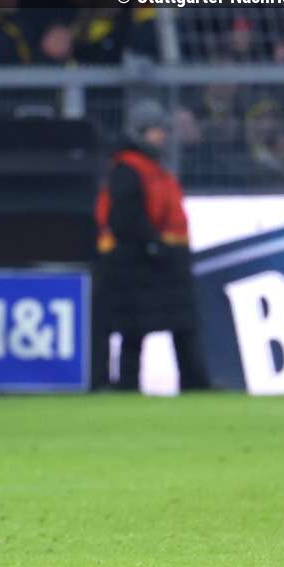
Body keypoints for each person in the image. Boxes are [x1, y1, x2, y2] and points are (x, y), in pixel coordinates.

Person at [93, 99, 210, 392]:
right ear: (140, 132)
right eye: (156, 130)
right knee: (136, 326)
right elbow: (124, 218)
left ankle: (191, 382)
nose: (162, 136)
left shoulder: (149, 167)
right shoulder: (129, 169)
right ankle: (129, 383)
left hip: (160, 255)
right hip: (139, 258)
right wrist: (152, 243)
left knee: (179, 324)